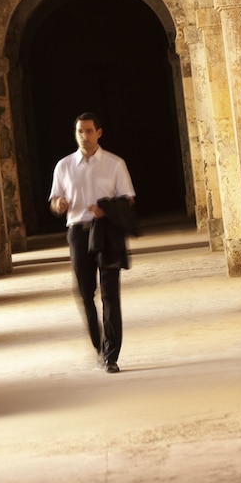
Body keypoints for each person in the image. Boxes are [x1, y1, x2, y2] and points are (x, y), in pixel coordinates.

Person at [49, 112, 135, 373]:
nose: (84, 136)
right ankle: (100, 346)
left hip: (107, 232)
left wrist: (105, 209)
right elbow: (54, 200)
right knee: (85, 294)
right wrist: (59, 205)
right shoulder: (64, 166)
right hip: (78, 232)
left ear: (99, 133)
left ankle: (111, 355)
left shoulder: (115, 164)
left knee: (110, 294)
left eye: (88, 131)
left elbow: (128, 199)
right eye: (80, 131)